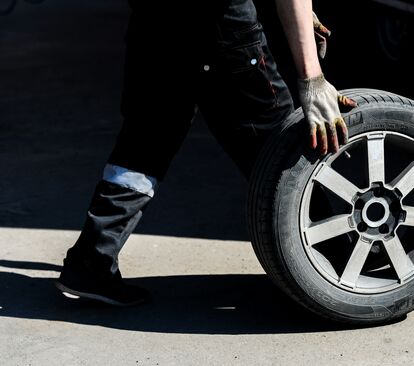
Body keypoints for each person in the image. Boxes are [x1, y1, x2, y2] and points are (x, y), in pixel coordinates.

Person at [55, 0, 356, 306]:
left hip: (154, 23)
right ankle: (334, 261)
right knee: (277, 145)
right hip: (221, 30)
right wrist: (312, 79)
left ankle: (91, 260)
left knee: (146, 141)